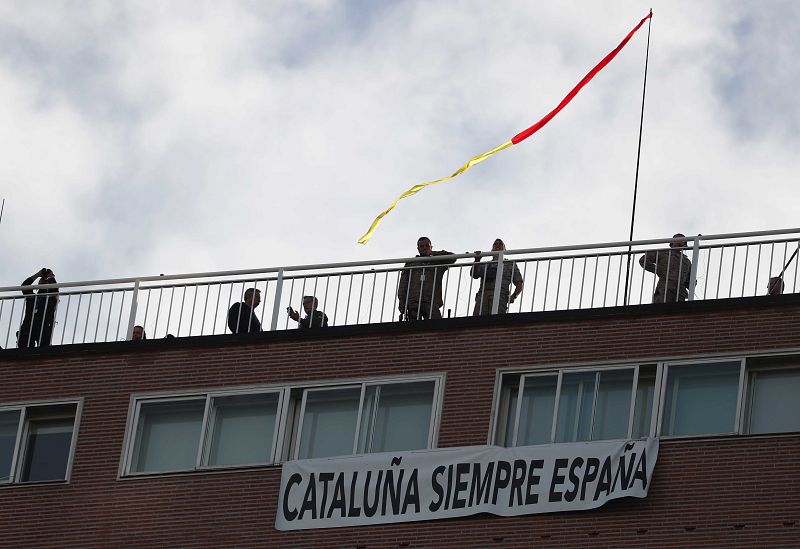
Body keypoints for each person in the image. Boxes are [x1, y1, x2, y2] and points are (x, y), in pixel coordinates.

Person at [398, 237, 456, 320]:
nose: (424, 248)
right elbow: (403, 285)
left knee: (435, 327)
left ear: (431, 247)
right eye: (421, 246)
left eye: (427, 246)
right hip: (413, 302)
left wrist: (433, 253)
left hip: (432, 302)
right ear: (418, 248)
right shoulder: (411, 263)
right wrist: (402, 304)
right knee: (413, 329)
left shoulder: (437, 260)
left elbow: (453, 258)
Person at [471, 239, 524, 316]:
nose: (497, 245)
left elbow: (519, 282)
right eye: (495, 244)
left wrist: (514, 296)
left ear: (504, 249)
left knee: (496, 321)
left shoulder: (510, 264)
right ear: (492, 249)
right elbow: (474, 274)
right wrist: (477, 260)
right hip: (483, 296)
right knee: (477, 323)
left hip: (500, 296)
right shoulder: (485, 265)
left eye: (500, 244)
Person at [638, 233, 692, 303]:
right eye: (678, 239)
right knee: (660, 310)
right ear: (672, 242)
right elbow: (644, 260)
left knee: (679, 312)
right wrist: (658, 270)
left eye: (683, 241)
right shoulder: (663, 253)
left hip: (680, 293)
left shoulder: (687, 261)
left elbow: (689, 280)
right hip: (665, 289)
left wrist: (692, 283)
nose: (680, 242)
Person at [18, 268, 59, 348]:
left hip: (44, 325)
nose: (44, 281)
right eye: (42, 280)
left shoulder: (50, 297)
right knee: (23, 349)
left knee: (43, 350)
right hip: (28, 324)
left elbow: (54, 289)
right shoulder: (32, 297)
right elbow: (24, 286)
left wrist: (51, 277)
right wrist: (37, 274)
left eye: (45, 281)